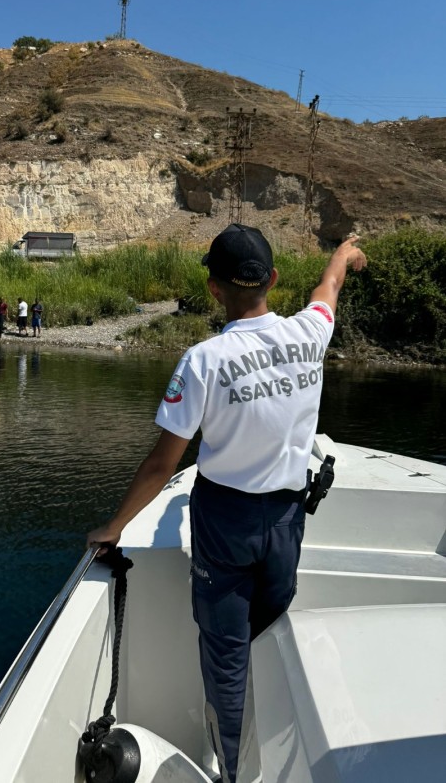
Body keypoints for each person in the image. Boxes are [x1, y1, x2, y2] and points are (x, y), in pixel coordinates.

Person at [86, 224, 367, 783]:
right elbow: (328, 291)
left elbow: (163, 465)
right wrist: (342, 255)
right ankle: (273, 735)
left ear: (214, 289)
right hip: (288, 521)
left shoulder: (203, 361)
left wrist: (113, 527)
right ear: (273, 280)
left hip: (226, 522)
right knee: (269, 626)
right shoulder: (310, 333)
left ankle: (235, 771)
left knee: (226, 655)